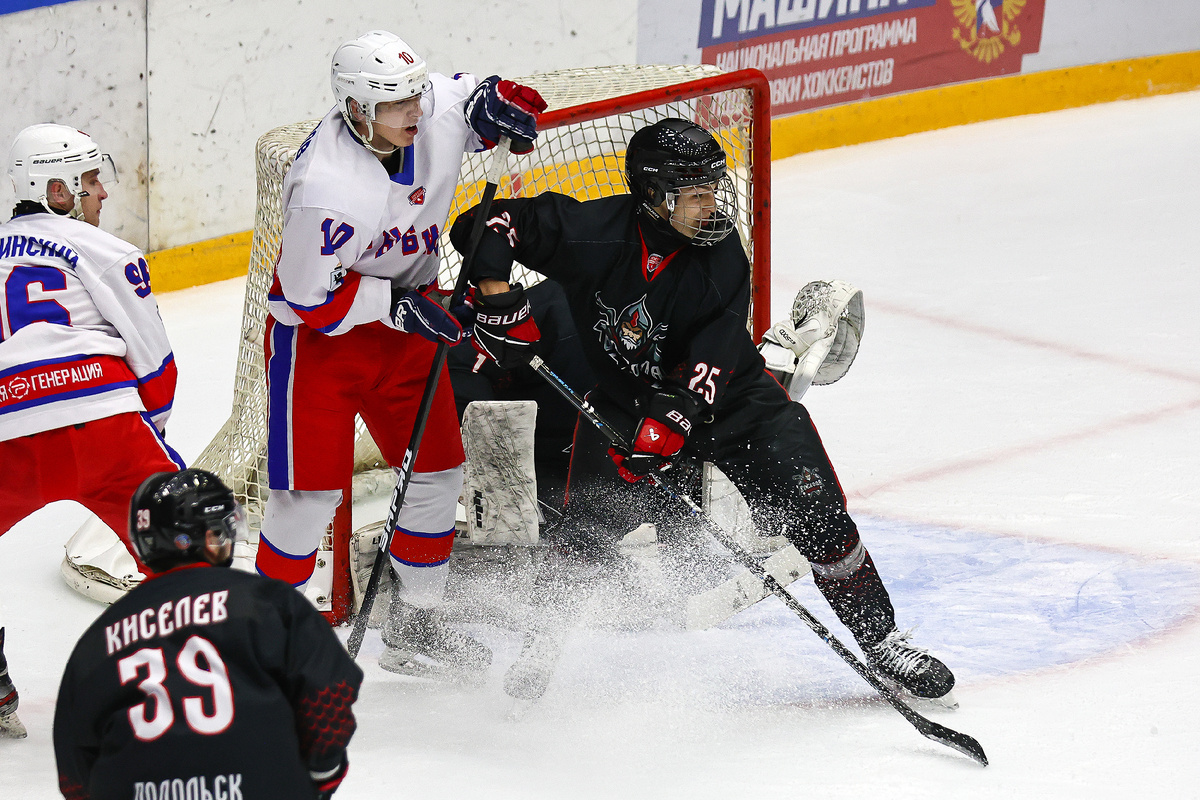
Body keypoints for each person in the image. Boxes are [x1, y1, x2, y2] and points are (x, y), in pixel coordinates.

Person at [450, 117, 958, 705]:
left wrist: (672, 420)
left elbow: (711, 355)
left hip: (736, 404)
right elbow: (482, 224)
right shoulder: (593, 231)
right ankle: (543, 641)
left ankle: (884, 643)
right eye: (694, 195)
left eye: (712, 190)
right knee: (584, 533)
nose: (711, 206)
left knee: (820, 515)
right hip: (624, 407)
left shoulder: (721, 254)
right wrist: (498, 298)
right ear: (654, 195)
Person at [254, 29, 545, 676]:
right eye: (395, 103)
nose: (414, 110)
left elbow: (471, 98)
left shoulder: (428, 109)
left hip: (408, 329)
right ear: (357, 108)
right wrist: (394, 305)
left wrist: (500, 100)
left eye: (415, 95)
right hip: (320, 345)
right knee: (306, 499)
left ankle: (417, 622)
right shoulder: (326, 186)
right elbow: (305, 297)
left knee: (437, 475)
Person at [0, 123, 184, 737]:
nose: (102, 191)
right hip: (99, 420)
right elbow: (154, 361)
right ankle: (184, 688)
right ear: (56, 190)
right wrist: (149, 436)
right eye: (89, 180)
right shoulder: (102, 249)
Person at [54, 469, 363, 800]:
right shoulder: (270, 603)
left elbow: (74, 768)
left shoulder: (100, 638)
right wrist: (321, 774)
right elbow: (330, 691)